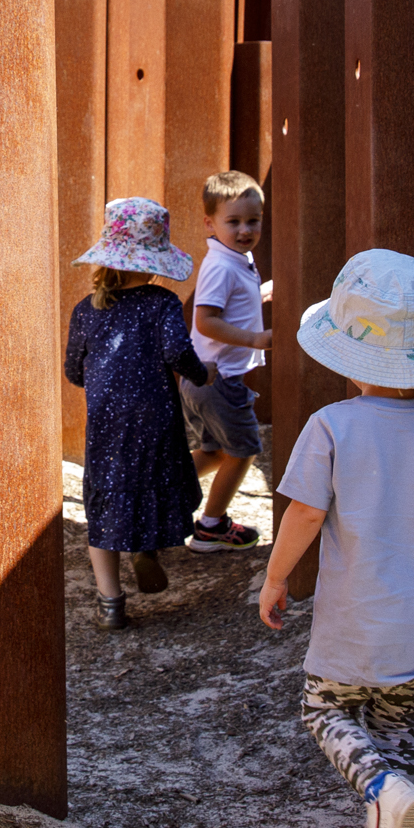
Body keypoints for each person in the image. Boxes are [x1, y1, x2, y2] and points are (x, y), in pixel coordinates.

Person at [256, 249, 414, 828]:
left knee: (322, 710)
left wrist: (275, 580)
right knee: (396, 727)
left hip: (355, 620)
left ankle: (382, 792)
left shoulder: (331, 427)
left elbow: (303, 515)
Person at [64, 197, 211, 630]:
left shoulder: (86, 310)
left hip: (107, 425)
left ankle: (110, 602)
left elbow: (73, 370)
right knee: (154, 481)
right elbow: (177, 352)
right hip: (156, 418)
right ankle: (147, 548)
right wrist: (202, 376)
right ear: (152, 262)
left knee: (106, 498)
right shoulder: (162, 303)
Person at [183, 169, 272, 552]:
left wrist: (263, 294)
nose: (244, 230)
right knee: (243, 449)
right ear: (209, 222)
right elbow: (205, 320)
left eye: (253, 221)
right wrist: (255, 338)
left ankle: (157, 492)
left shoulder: (236, 258)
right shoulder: (222, 265)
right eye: (232, 221)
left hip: (203, 379)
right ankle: (211, 526)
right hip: (220, 380)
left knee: (213, 451)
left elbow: (233, 302)